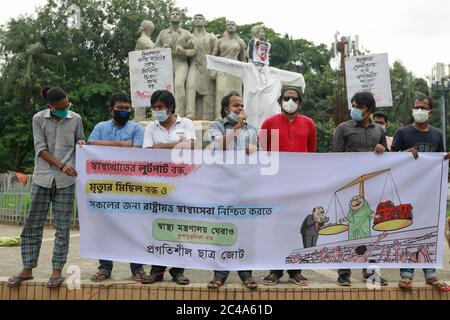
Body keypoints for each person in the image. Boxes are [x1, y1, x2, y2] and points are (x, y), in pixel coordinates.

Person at [7, 86, 86, 289]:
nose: (65, 109)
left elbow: (80, 139)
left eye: (67, 105)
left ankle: (56, 272)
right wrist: (61, 165)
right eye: (60, 107)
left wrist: (82, 141)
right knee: (33, 225)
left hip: (66, 182)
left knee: (62, 228)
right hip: (42, 178)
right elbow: (40, 150)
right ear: (50, 106)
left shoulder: (75, 118)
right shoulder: (38, 119)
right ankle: (27, 269)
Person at [391, 95, 450, 292]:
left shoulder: (437, 134)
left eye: (423, 107)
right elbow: (390, 160)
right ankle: (406, 275)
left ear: (430, 112)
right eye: (416, 107)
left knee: (428, 231)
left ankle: (430, 275)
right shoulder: (402, 132)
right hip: (406, 190)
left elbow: (440, 158)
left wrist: (446, 158)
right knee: (407, 232)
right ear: (412, 110)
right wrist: (404, 154)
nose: (419, 110)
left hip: (428, 192)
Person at [260, 86, 316, 286]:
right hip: (276, 185)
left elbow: (311, 153)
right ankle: (275, 271)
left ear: (300, 103)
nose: (290, 101)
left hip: (300, 186)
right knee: (276, 228)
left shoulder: (309, 124)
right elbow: (263, 153)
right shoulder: (268, 123)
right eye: (286, 98)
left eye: (294, 99)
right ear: (280, 100)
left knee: (298, 227)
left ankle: (295, 271)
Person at [88, 92, 147, 283]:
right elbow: (90, 145)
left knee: (133, 228)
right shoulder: (100, 127)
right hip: (105, 186)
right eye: (120, 108)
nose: (124, 111)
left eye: (127, 108)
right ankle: (105, 268)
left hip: (132, 187)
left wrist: (108, 147)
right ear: (110, 109)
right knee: (105, 228)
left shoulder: (137, 128)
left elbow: (137, 151)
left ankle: (137, 268)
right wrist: (122, 144)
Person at [332, 91, 388, 287]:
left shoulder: (379, 131)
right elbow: (335, 156)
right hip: (350, 187)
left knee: (370, 230)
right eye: (353, 105)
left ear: (369, 109)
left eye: (359, 106)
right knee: (348, 231)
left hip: (372, 186)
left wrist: (382, 150)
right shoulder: (342, 129)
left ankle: (371, 272)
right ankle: (344, 272)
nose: (354, 110)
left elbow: (388, 159)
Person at [141, 90, 195, 285]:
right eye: (154, 107)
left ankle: (178, 271)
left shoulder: (186, 123)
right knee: (158, 227)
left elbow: (190, 147)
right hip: (158, 184)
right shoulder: (150, 127)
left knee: (179, 228)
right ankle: (156, 271)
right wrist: (175, 145)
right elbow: (147, 153)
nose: (157, 111)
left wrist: (161, 147)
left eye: (161, 107)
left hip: (182, 182)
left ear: (170, 107)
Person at [206, 92, 258, 290]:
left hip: (246, 186)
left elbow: (256, 155)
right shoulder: (216, 126)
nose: (240, 108)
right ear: (226, 109)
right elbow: (219, 147)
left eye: (242, 105)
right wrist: (236, 129)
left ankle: (246, 273)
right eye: (236, 105)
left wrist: (253, 151)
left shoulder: (252, 129)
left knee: (245, 230)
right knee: (223, 229)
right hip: (223, 186)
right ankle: (220, 273)